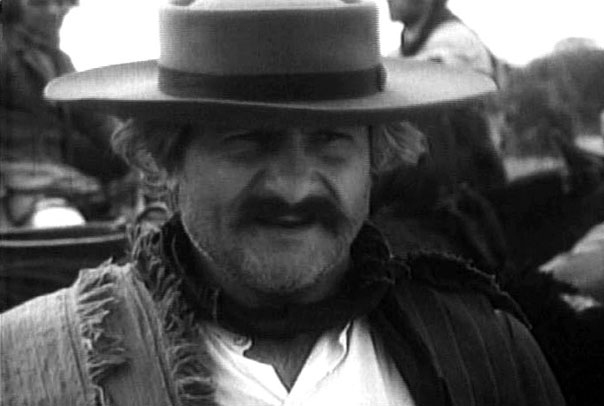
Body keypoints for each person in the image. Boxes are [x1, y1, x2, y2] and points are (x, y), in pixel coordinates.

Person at [0, 1, 565, 405]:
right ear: (167, 158)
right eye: (247, 140)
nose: (294, 188)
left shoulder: (489, 352)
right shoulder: (37, 362)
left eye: (330, 140)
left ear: (375, 157)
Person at [0, 0, 129, 226]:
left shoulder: (59, 61)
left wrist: (148, 155)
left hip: (58, 184)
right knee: (62, 224)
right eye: (39, 3)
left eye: (61, 2)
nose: (53, 11)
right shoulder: (4, 51)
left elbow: (96, 121)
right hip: (18, 189)